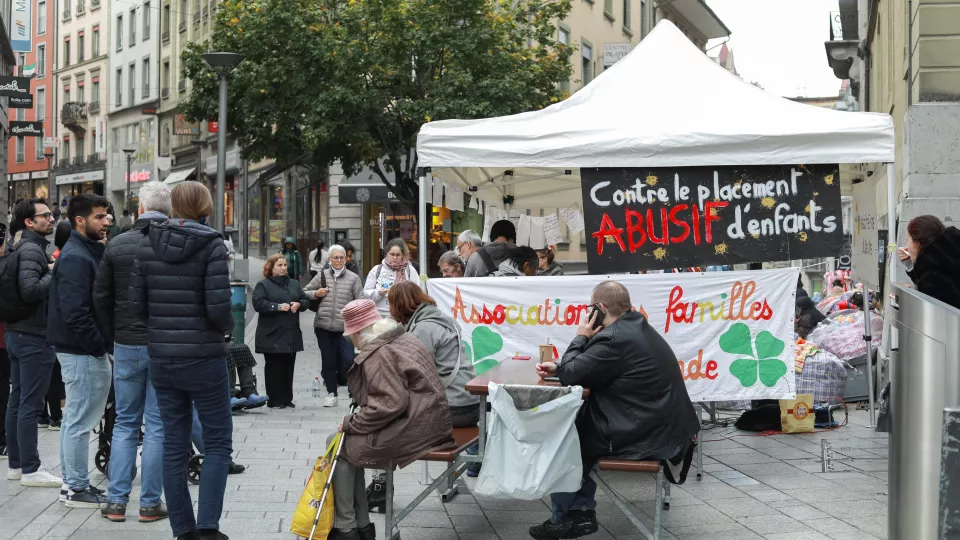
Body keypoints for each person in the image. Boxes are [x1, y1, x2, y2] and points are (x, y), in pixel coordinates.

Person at [531, 282, 700, 539]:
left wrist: (581, 336)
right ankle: (579, 512)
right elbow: (587, 367)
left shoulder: (613, 338)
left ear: (599, 308)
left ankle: (566, 518)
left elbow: (573, 374)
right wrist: (559, 366)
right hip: (669, 432)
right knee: (576, 430)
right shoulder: (635, 326)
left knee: (562, 438)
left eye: (590, 308)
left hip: (655, 438)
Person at [130, 181, 234, 540]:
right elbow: (219, 309)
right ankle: (208, 528)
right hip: (204, 358)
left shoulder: (147, 243)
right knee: (218, 443)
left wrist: (161, 329)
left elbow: (136, 308)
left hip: (162, 359)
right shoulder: (212, 245)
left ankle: (183, 530)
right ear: (204, 206)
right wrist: (224, 328)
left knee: (173, 445)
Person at [326, 299, 454, 539]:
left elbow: (389, 404)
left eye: (350, 335)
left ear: (358, 333)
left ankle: (346, 528)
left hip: (416, 427)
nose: (350, 341)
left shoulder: (379, 353)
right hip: (428, 421)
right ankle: (360, 525)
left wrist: (351, 422)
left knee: (338, 445)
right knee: (342, 442)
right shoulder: (401, 337)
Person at [92, 181, 171, 522]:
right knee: (157, 424)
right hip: (166, 345)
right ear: (169, 212)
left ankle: (116, 501)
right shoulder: (179, 243)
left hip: (126, 343)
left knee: (125, 422)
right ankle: (150, 504)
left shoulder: (118, 245)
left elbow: (100, 297)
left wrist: (112, 338)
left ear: (140, 209)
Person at [47, 193, 112, 508]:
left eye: (106, 216)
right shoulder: (76, 256)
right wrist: (98, 346)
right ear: (80, 221)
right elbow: (75, 313)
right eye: (99, 216)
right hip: (81, 351)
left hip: (80, 349)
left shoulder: (84, 251)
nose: (106, 221)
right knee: (80, 420)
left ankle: (71, 485)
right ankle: (75, 487)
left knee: (75, 419)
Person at [388, 282, 480, 474]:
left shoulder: (423, 329)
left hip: (453, 410)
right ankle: (475, 453)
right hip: (471, 404)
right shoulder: (443, 320)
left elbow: (413, 374)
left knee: (386, 425)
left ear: (399, 306)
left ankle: (382, 483)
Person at [4, 198, 62, 488]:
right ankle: (30, 469)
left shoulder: (22, 247)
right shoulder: (31, 249)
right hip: (33, 337)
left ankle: (16, 466)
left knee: (17, 402)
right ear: (29, 222)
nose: (51, 219)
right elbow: (30, 291)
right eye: (45, 215)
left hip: (18, 333)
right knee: (30, 404)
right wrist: (55, 271)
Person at [305, 244, 364, 408]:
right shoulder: (321, 276)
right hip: (323, 325)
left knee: (349, 360)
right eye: (335, 257)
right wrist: (316, 293)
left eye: (341, 257)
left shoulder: (353, 278)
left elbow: (361, 300)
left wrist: (353, 314)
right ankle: (332, 394)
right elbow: (304, 291)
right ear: (329, 259)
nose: (338, 260)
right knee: (328, 361)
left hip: (346, 327)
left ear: (345, 259)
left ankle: (354, 393)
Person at [252, 254, 310, 409]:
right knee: (274, 367)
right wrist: (277, 307)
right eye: (280, 265)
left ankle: (286, 398)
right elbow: (258, 303)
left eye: (285, 265)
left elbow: (305, 300)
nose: (284, 268)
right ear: (271, 267)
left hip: (291, 333)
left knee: (288, 366)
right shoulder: (263, 285)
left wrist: (299, 304)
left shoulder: (294, 284)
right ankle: (274, 399)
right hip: (271, 333)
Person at [899, 214, 960, 309]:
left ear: (917, 243)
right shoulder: (948, 255)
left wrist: (901, 304)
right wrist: (910, 266)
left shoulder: (932, 280)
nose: (906, 246)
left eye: (907, 240)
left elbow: (931, 313)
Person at [363, 238, 421, 317]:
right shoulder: (377, 270)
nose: (394, 258)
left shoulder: (410, 270)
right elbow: (366, 293)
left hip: (403, 316)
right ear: (386, 254)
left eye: (398, 255)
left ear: (403, 255)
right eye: (392, 254)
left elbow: (417, 293)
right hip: (380, 316)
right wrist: (378, 293)